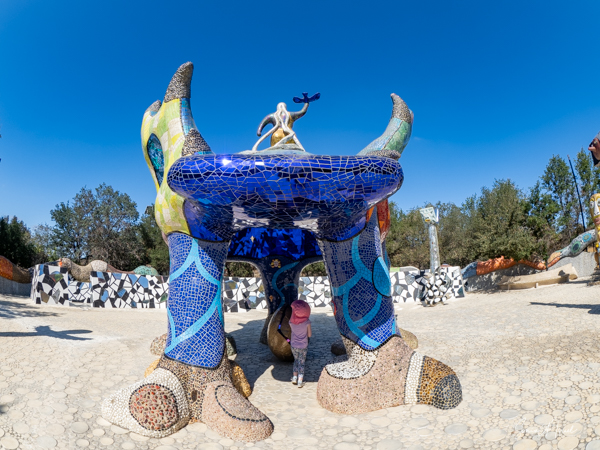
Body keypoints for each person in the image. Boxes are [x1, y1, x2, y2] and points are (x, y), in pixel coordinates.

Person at [289, 299, 312, 388]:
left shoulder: (291, 322)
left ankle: (294, 377)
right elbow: (309, 335)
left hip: (293, 345)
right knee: (301, 363)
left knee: (296, 360)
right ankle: (300, 381)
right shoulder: (307, 322)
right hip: (303, 346)